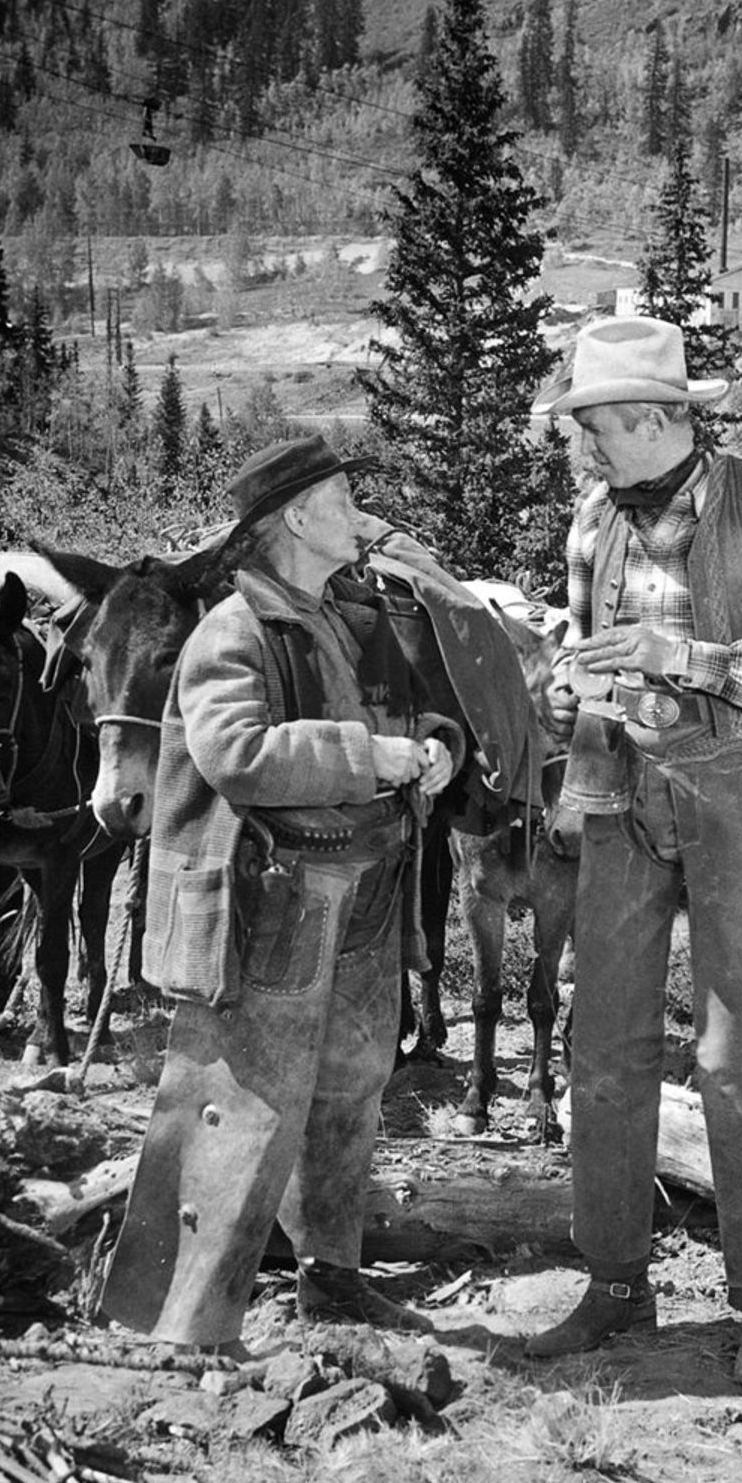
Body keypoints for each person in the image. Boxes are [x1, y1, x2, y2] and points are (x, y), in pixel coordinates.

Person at [524, 315, 742, 1387]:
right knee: (602, 1049)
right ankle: (616, 1280)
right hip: (618, 788)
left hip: (736, 792)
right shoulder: (592, 521)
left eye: (594, 426)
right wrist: (564, 688)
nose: (583, 446)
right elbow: (580, 650)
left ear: (653, 418)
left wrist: (687, 657)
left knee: (737, 1052)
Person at [100, 435, 462, 1355]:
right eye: (343, 500)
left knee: (351, 1087)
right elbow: (237, 755)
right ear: (297, 517)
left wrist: (433, 746)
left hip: (366, 891)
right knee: (241, 1104)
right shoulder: (234, 631)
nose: (360, 517)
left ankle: (331, 1283)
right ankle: (185, 1328)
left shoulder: (348, 618)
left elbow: (399, 716)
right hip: (275, 904)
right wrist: (370, 757)